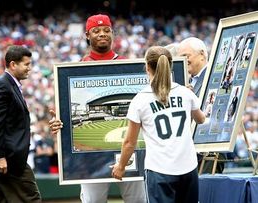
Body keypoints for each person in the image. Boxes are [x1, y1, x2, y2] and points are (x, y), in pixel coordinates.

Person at [49, 14, 146, 203]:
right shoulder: (75, 70)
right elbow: (64, 112)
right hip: (91, 158)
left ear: (112, 33)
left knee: (139, 200)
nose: (102, 34)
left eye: (106, 30)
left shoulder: (128, 64)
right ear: (87, 35)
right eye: (96, 31)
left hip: (130, 153)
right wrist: (58, 122)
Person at [111, 46, 205, 203]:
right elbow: (200, 119)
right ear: (170, 65)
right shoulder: (186, 93)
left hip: (159, 170)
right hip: (188, 167)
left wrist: (120, 167)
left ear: (147, 67)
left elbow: (129, 142)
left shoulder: (140, 99)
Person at [0, 45, 62, 202]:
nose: (29, 68)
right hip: (8, 160)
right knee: (31, 199)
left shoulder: (11, 85)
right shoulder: (1, 86)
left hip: (4, 160)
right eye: (26, 64)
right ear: (13, 64)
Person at [177, 37, 226, 174]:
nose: (183, 61)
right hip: (189, 151)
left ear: (202, 55)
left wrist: (190, 97)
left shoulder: (216, 76)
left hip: (210, 149)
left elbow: (216, 107)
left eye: (186, 56)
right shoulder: (187, 82)